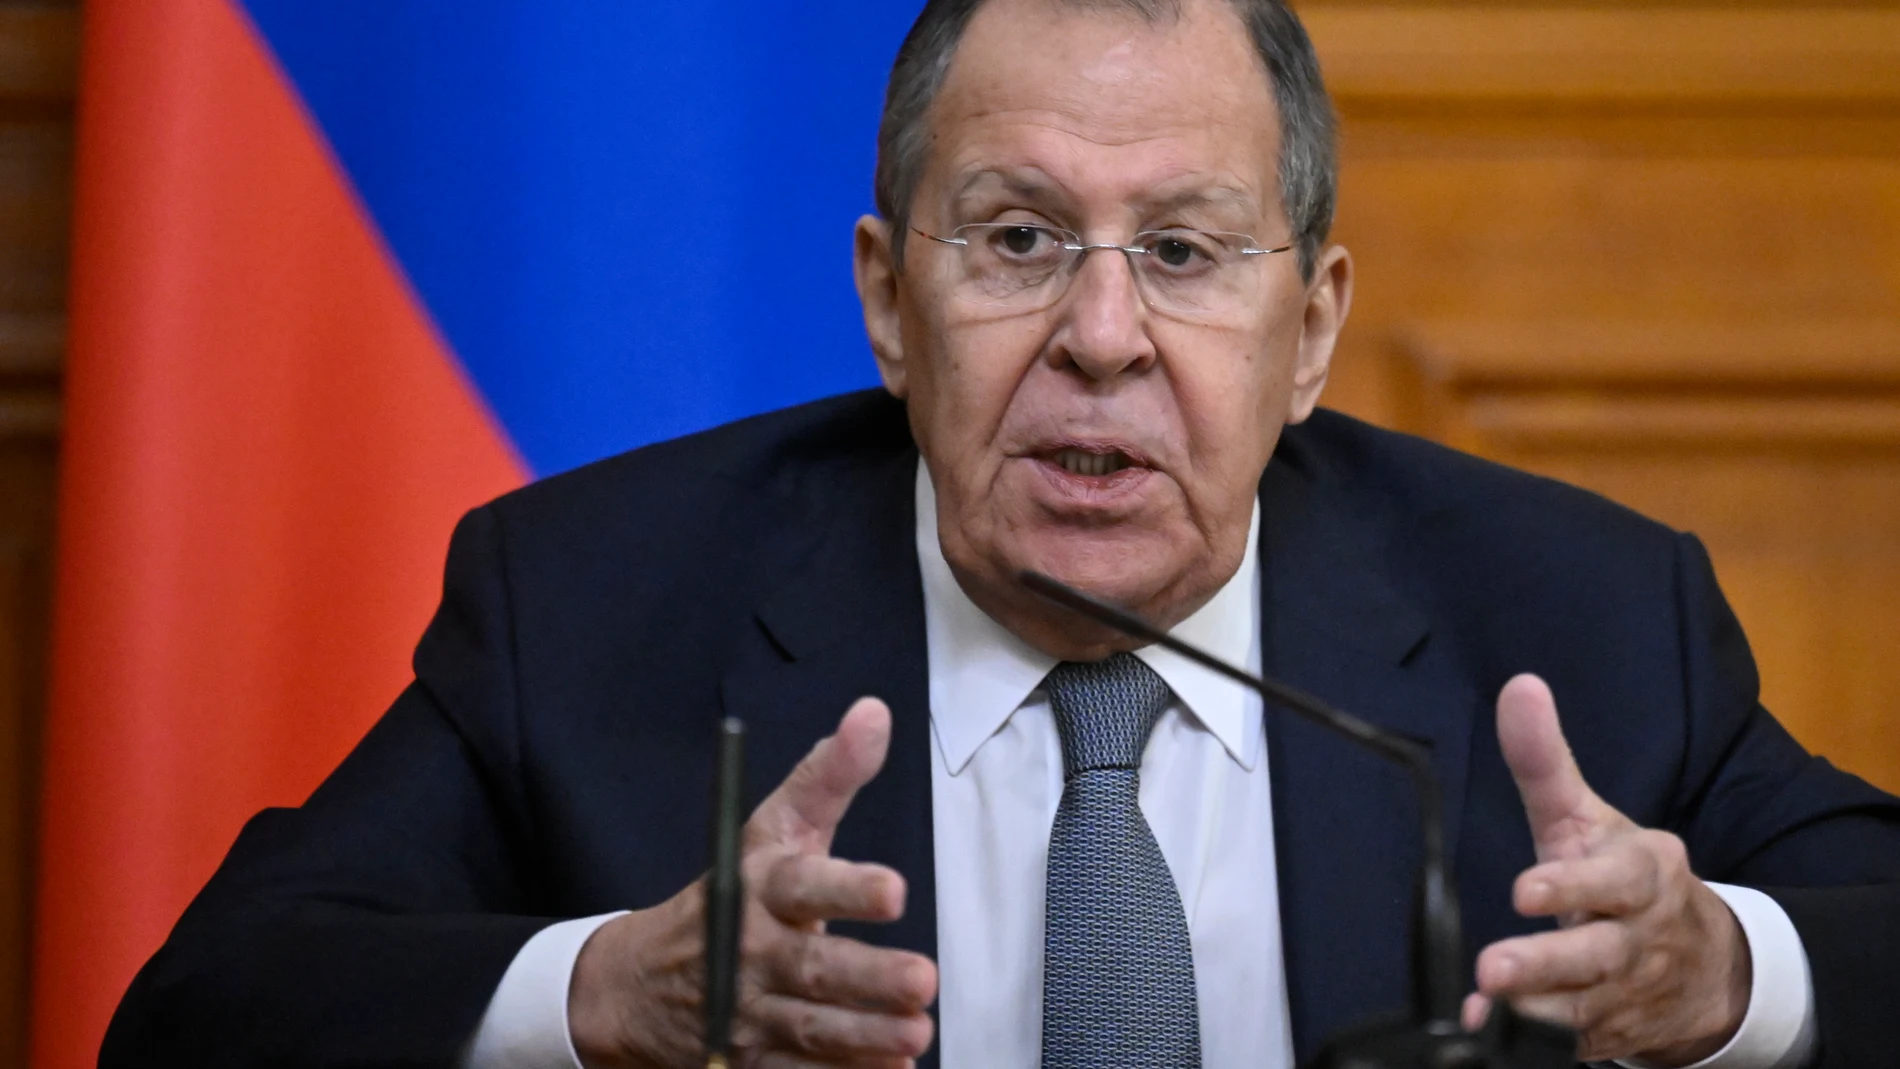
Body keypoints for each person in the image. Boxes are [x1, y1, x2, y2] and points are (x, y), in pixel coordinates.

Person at [103, 0, 1900, 1067]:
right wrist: (604, 992)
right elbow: (206, 1013)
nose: (1102, 337)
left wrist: (1728, 974)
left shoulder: (1573, 612)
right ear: (892, 303)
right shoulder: (594, 601)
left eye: (1185, 252)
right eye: (1020, 239)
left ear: (1317, 332)